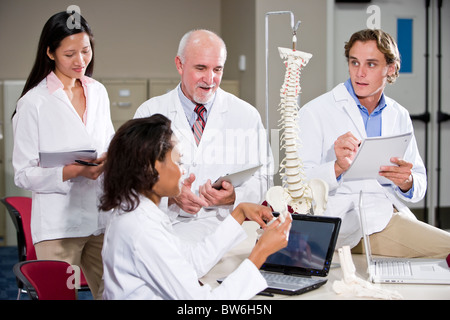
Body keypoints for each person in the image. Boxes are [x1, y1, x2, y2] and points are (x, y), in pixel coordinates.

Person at [297, 29, 450, 258]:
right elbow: (297, 187)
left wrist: (406, 181)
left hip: (392, 213)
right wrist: (337, 167)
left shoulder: (399, 114)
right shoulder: (314, 112)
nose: (359, 73)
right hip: (350, 223)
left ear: (390, 68)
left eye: (370, 64)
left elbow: (419, 182)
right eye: (354, 62)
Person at [100, 115, 290, 299]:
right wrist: (261, 251)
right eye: (178, 162)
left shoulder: (138, 213)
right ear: (151, 168)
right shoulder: (142, 230)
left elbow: (191, 263)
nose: (183, 171)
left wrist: (239, 213)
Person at [134, 29, 272, 243]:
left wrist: (234, 197)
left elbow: (265, 179)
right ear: (179, 64)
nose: (210, 79)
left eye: (217, 69)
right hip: (166, 231)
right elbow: (133, 179)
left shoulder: (246, 115)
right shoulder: (150, 112)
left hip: (226, 232)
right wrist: (171, 196)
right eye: (201, 68)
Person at [12, 11, 115, 298]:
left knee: (116, 293)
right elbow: (23, 173)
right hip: (59, 228)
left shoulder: (99, 92)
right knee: (61, 296)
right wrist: (73, 171)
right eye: (70, 53)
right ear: (50, 52)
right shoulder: (34, 103)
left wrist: (109, 159)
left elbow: (108, 142)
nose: (81, 60)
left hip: (100, 220)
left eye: (86, 51)